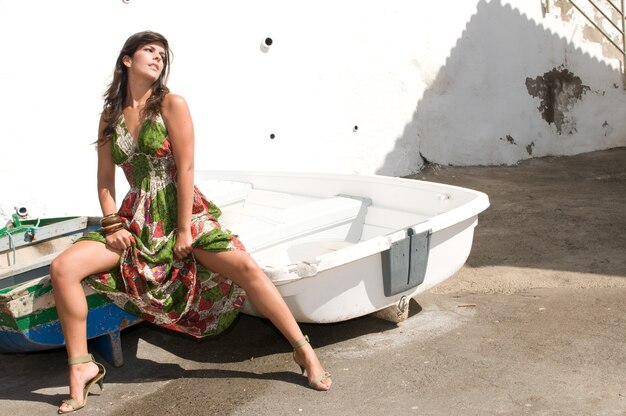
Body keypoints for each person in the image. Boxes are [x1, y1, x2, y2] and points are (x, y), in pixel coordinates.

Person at [50, 30, 331, 414]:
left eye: (163, 54)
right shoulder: (110, 115)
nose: (158, 57)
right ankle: (80, 367)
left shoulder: (171, 104)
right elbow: (104, 177)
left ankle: (303, 351)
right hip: (135, 219)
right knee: (63, 266)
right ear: (127, 60)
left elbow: (185, 168)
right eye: (149, 50)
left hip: (182, 209)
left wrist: (184, 229)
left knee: (246, 267)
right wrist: (113, 225)